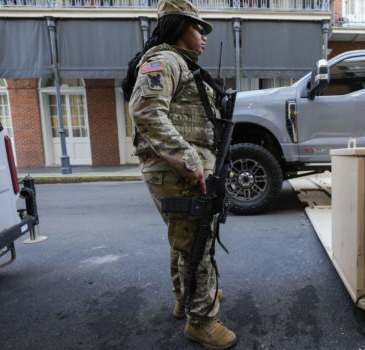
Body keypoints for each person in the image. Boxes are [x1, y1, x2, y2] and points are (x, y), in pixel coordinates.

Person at [122, 0, 235, 348]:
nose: (203, 36)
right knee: (196, 243)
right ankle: (201, 320)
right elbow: (145, 110)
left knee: (185, 240)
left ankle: (186, 299)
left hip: (185, 170)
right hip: (180, 171)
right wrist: (189, 162)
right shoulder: (165, 60)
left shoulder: (181, 65)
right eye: (198, 27)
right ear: (178, 26)